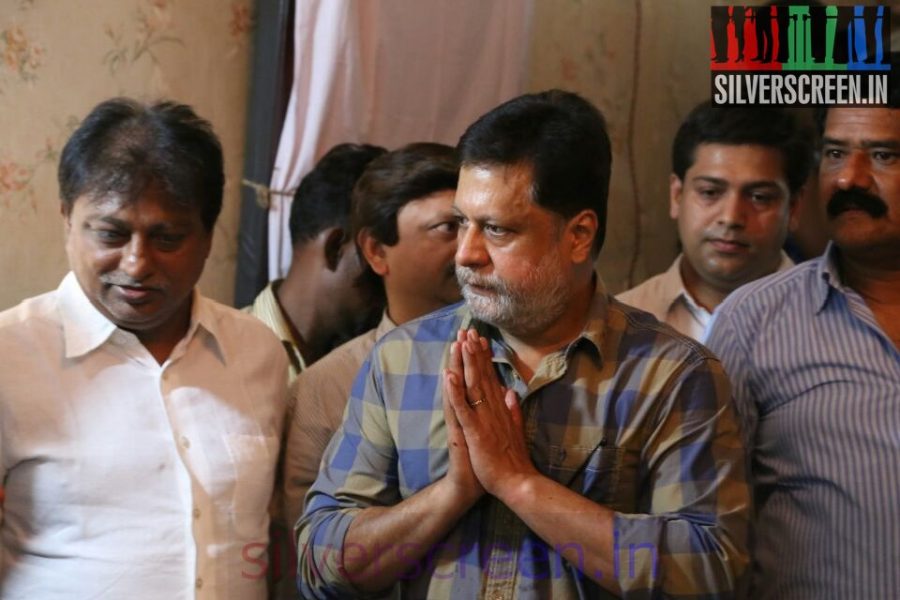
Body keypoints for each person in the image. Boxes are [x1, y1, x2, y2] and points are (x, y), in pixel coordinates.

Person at [296, 90, 749, 599]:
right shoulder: (403, 359)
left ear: (578, 235)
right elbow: (320, 565)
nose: (466, 254)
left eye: (496, 229)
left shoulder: (672, 376)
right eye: (462, 222)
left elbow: (710, 571)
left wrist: (520, 484)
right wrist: (452, 493)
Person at [0, 98, 288, 599]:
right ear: (67, 218)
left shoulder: (256, 351)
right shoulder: (10, 353)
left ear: (207, 234)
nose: (136, 264)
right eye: (111, 233)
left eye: (167, 238)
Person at [705, 73, 900, 598]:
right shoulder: (753, 320)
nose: (849, 180)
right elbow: (705, 526)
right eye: (835, 153)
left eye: (883, 155)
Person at [282, 142, 461, 529]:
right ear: (376, 250)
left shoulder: (519, 354)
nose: (471, 248)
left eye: (486, 226)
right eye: (449, 227)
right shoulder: (326, 387)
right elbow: (310, 552)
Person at [618, 101, 811, 340]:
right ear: (676, 196)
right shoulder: (620, 325)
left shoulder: (837, 327)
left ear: (794, 208)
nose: (730, 218)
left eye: (759, 197)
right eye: (710, 192)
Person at [244, 143, 386, 381]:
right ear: (335, 249)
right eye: (378, 256)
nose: (391, 280)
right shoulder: (227, 356)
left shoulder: (375, 363)